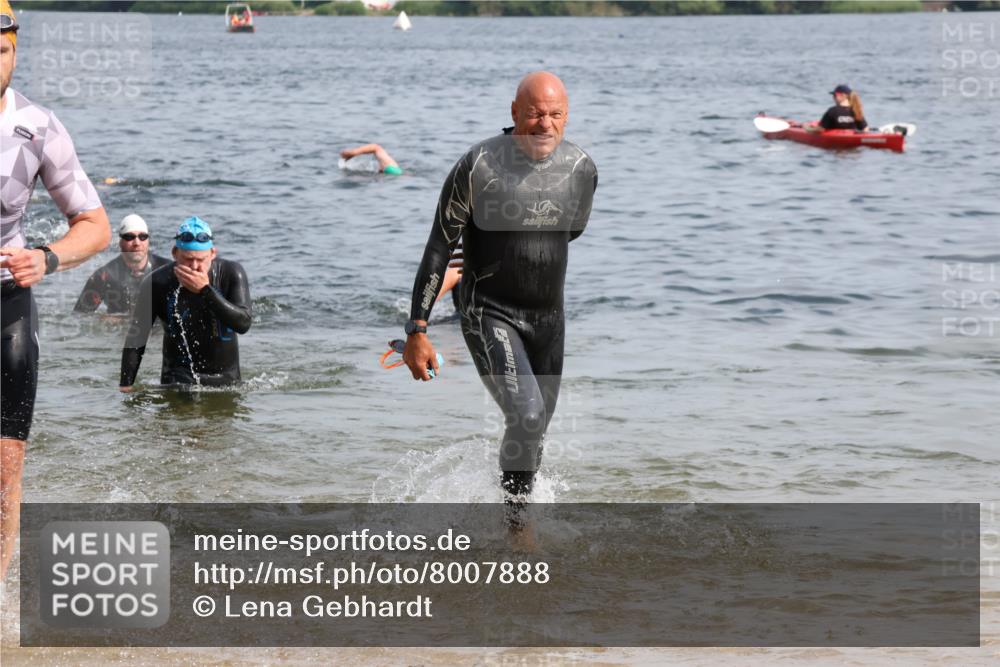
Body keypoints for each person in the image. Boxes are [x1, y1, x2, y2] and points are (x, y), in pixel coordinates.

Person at [402, 71, 598, 509]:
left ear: (567, 117)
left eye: (555, 114)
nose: (544, 124)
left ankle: (511, 509)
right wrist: (417, 329)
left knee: (535, 428)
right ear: (514, 112)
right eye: (534, 113)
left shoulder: (581, 168)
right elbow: (439, 246)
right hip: (489, 311)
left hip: (549, 319)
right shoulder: (479, 166)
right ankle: (518, 535)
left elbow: (571, 231)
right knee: (527, 417)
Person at [0, 0, 112, 580]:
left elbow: (95, 226)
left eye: (0, 53)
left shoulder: (38, 127)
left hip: (5, 304)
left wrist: (46, 258)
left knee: (5, 460)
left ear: (16, 51)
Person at [119, 216, 251, 390]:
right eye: (188, 259)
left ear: (212, 253)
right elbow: (136, 338)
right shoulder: (156, 283)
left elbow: (243, 324)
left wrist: (206, 290)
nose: (194, 266)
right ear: (174, 253)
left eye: (201, 259)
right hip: (176, 381)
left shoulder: (230, 273)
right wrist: (126, 386)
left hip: (225, 382)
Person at [74, 214, 170, 315]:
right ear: (120, 242)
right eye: (129, 237)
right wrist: (101, 321)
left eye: (142, 237)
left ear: (148, 241)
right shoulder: (104, 277)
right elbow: (79, 316)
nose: (137, 242)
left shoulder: (166, 270)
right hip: (120, 329)